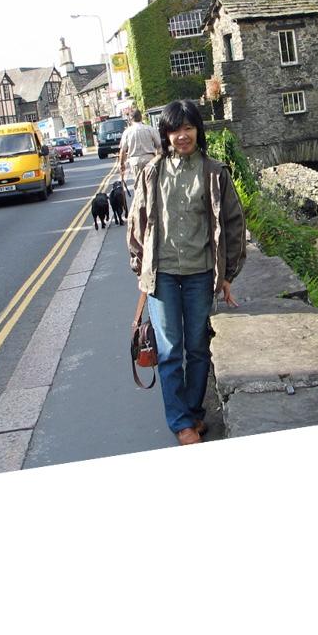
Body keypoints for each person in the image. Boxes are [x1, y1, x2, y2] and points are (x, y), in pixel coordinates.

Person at [126, 99, 246, 445]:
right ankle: (181, 423)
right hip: (163, 274)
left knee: (197, 347)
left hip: (200, 273)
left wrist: (228, 274)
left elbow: (234, 223)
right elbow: (137, 223)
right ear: (165, 134)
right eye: (175, 129)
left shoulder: (214, 173)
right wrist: (141, 267)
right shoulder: (152, 172)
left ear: (198, 130)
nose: (182, 135)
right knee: (169, 350)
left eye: (188, 128)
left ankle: (193, 413)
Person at [117, 106, 162, 188]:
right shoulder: (150, 129)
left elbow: (123, 150)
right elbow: (159, 145)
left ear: (131, 119)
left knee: (139, 186)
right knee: (152, 184)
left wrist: (121, 164)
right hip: (150, 159)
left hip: (135, 161)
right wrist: (158, 159)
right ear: (141, 117)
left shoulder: (127, 132)